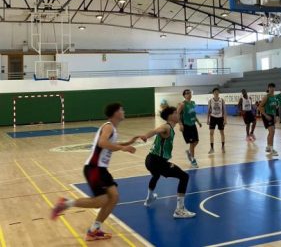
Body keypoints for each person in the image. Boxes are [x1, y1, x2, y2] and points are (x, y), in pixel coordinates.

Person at [51, 103, 138, 241]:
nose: (124, 111)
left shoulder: (112, 129)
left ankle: (94, 230)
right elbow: (102, 143)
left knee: (114, 197)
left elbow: (109, 145)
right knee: (101, 201)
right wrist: (122, 148)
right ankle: (65, 203)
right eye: (121, 109)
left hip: (101, 168)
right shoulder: (108, 126)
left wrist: (128, 143)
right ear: (115, 113)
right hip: (94, 168)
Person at [139, 106, 195, 218]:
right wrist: (146, 135)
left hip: (150, 160)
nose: (178, 114)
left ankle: (149, 198)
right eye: (175, 113)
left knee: (156, 175)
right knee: (184, 177)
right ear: (170, 116)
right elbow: (156, 130)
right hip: (157, 161)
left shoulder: (171, 127)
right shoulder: (167, 127)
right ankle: (179, 210)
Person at [177, 89, 203, 168]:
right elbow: (177, 114)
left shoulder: (193, 103)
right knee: (192, 143)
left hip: (193, 125)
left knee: (196, 141)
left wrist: (198, 122)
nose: (189, 94)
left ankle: (189, 152)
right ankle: (193, 160)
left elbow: (193, 114)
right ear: (184, 95)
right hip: (186, 125)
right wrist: (180, 124)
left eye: (190, 93)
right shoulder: (182, 104)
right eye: (187, 93)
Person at [259, 83, 279, 156]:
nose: (272, 89)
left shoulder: (274, 97)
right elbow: (260, 107)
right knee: (272, 132)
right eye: (271, 87)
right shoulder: (266, 97)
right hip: (266, 115)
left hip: (271, 115)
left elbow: (274, 109)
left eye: (273, 87)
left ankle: (268, 147)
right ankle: (272, 149)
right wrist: (266, 115)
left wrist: (275, 117)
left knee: (271, 132)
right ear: (268, 88)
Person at [207, 88, 227, 154]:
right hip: (212, 118)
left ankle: (223, 147)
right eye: (215, 92)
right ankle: (212, 148)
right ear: (213, 93)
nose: (216, 93)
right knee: (211, 133)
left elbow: (224, 111)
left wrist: (225, 119)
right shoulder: (210, 101)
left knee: (222, 133)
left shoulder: (222, 100)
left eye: (217, 92)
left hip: (220, 118)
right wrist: (207, 119)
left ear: (219, 93)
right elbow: (208, 111)